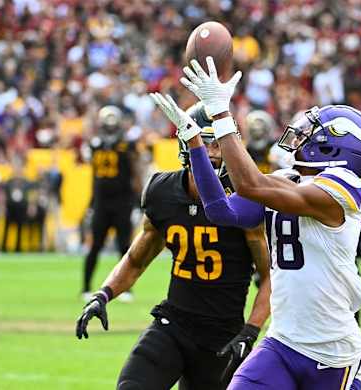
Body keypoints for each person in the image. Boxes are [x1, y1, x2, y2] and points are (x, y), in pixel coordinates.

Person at [152, 56, 361, 389]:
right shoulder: (287, 178)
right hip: (283, 342)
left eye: (312, 135)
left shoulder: (343, 188)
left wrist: (221, 114)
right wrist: (196, 145)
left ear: (334, 146)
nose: (301, 138)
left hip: (334, 352)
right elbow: (221, 211)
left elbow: (250, 185)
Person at [75, 104, 272, 390]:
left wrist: (250, 332)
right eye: (207, 143)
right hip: (173, 325)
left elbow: (270, 276)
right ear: (186, 143)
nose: (215, 152)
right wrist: (103, 294)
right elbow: (135, 260)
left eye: (221, 143)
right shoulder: (163, 192)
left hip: (222, 337)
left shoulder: (244, 202)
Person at [82, 105, 142, 302]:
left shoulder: (126, 144)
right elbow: (93, 175)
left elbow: (135, 171)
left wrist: (137, 200)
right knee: (95, 246)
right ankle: (85, 287)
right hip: (101, 201)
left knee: (124, 247)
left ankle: (126, 289)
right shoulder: (95, 143)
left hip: (122, 201)